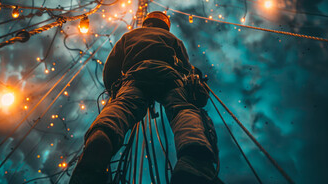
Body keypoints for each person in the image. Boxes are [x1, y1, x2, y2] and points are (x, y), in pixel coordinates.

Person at [70, 11, 220, 184]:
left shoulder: (129, 36)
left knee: (122, 105)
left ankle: (102, 137)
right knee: (183, 109)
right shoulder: (172, 39)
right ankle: (194, 159)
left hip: (135, 75)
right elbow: (186, 68)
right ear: (165, 25)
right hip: (169, 75)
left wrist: (114, 89)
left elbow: (111, 67)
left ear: (147, 23)